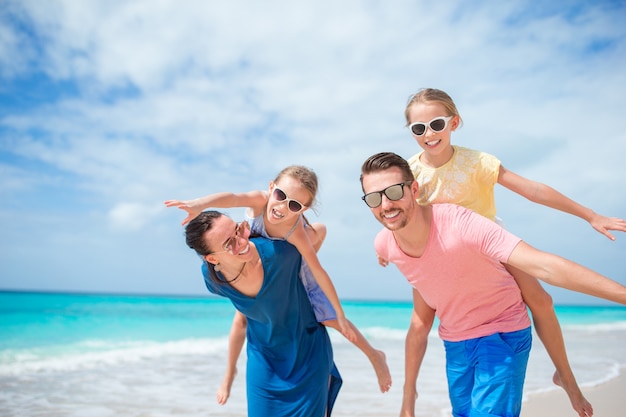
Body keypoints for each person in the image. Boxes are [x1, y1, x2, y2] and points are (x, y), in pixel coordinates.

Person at [384, 87, 626, 417]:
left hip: (491, 245)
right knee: (419, 324)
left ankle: (565, 376)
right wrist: (388, 248)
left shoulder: (477, 162)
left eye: (437, 124)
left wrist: (591, 215)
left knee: (541, 300)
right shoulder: (411, 173)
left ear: (454, 123)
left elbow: (534, 190)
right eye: (418, 128)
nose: (429, 134)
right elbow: (396, 210)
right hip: (439, 255)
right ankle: (408, 401)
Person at [165, 166, 391, 402]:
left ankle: (374, 356)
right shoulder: (259, 201)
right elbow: (231, 197)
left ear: (303, 209)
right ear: (271, 187)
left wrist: (341, 313)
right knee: (241, 318)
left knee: (329, 316)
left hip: (297, 264)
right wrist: (199, 204)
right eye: (281, 196)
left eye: (294, 205)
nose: (282, 207)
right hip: (255, 277)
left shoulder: (294, 231)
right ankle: (230, 372)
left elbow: (318, 271)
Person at [184, 210, 342, 416]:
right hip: (264, 360)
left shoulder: (280, 254)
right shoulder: (214, 279)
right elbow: (244, 316)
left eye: (239, 229)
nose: (241, 241)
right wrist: (229, 373)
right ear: (212, 259)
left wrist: (304, 267)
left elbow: (320, 230)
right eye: (229, 244)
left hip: (307, 356)